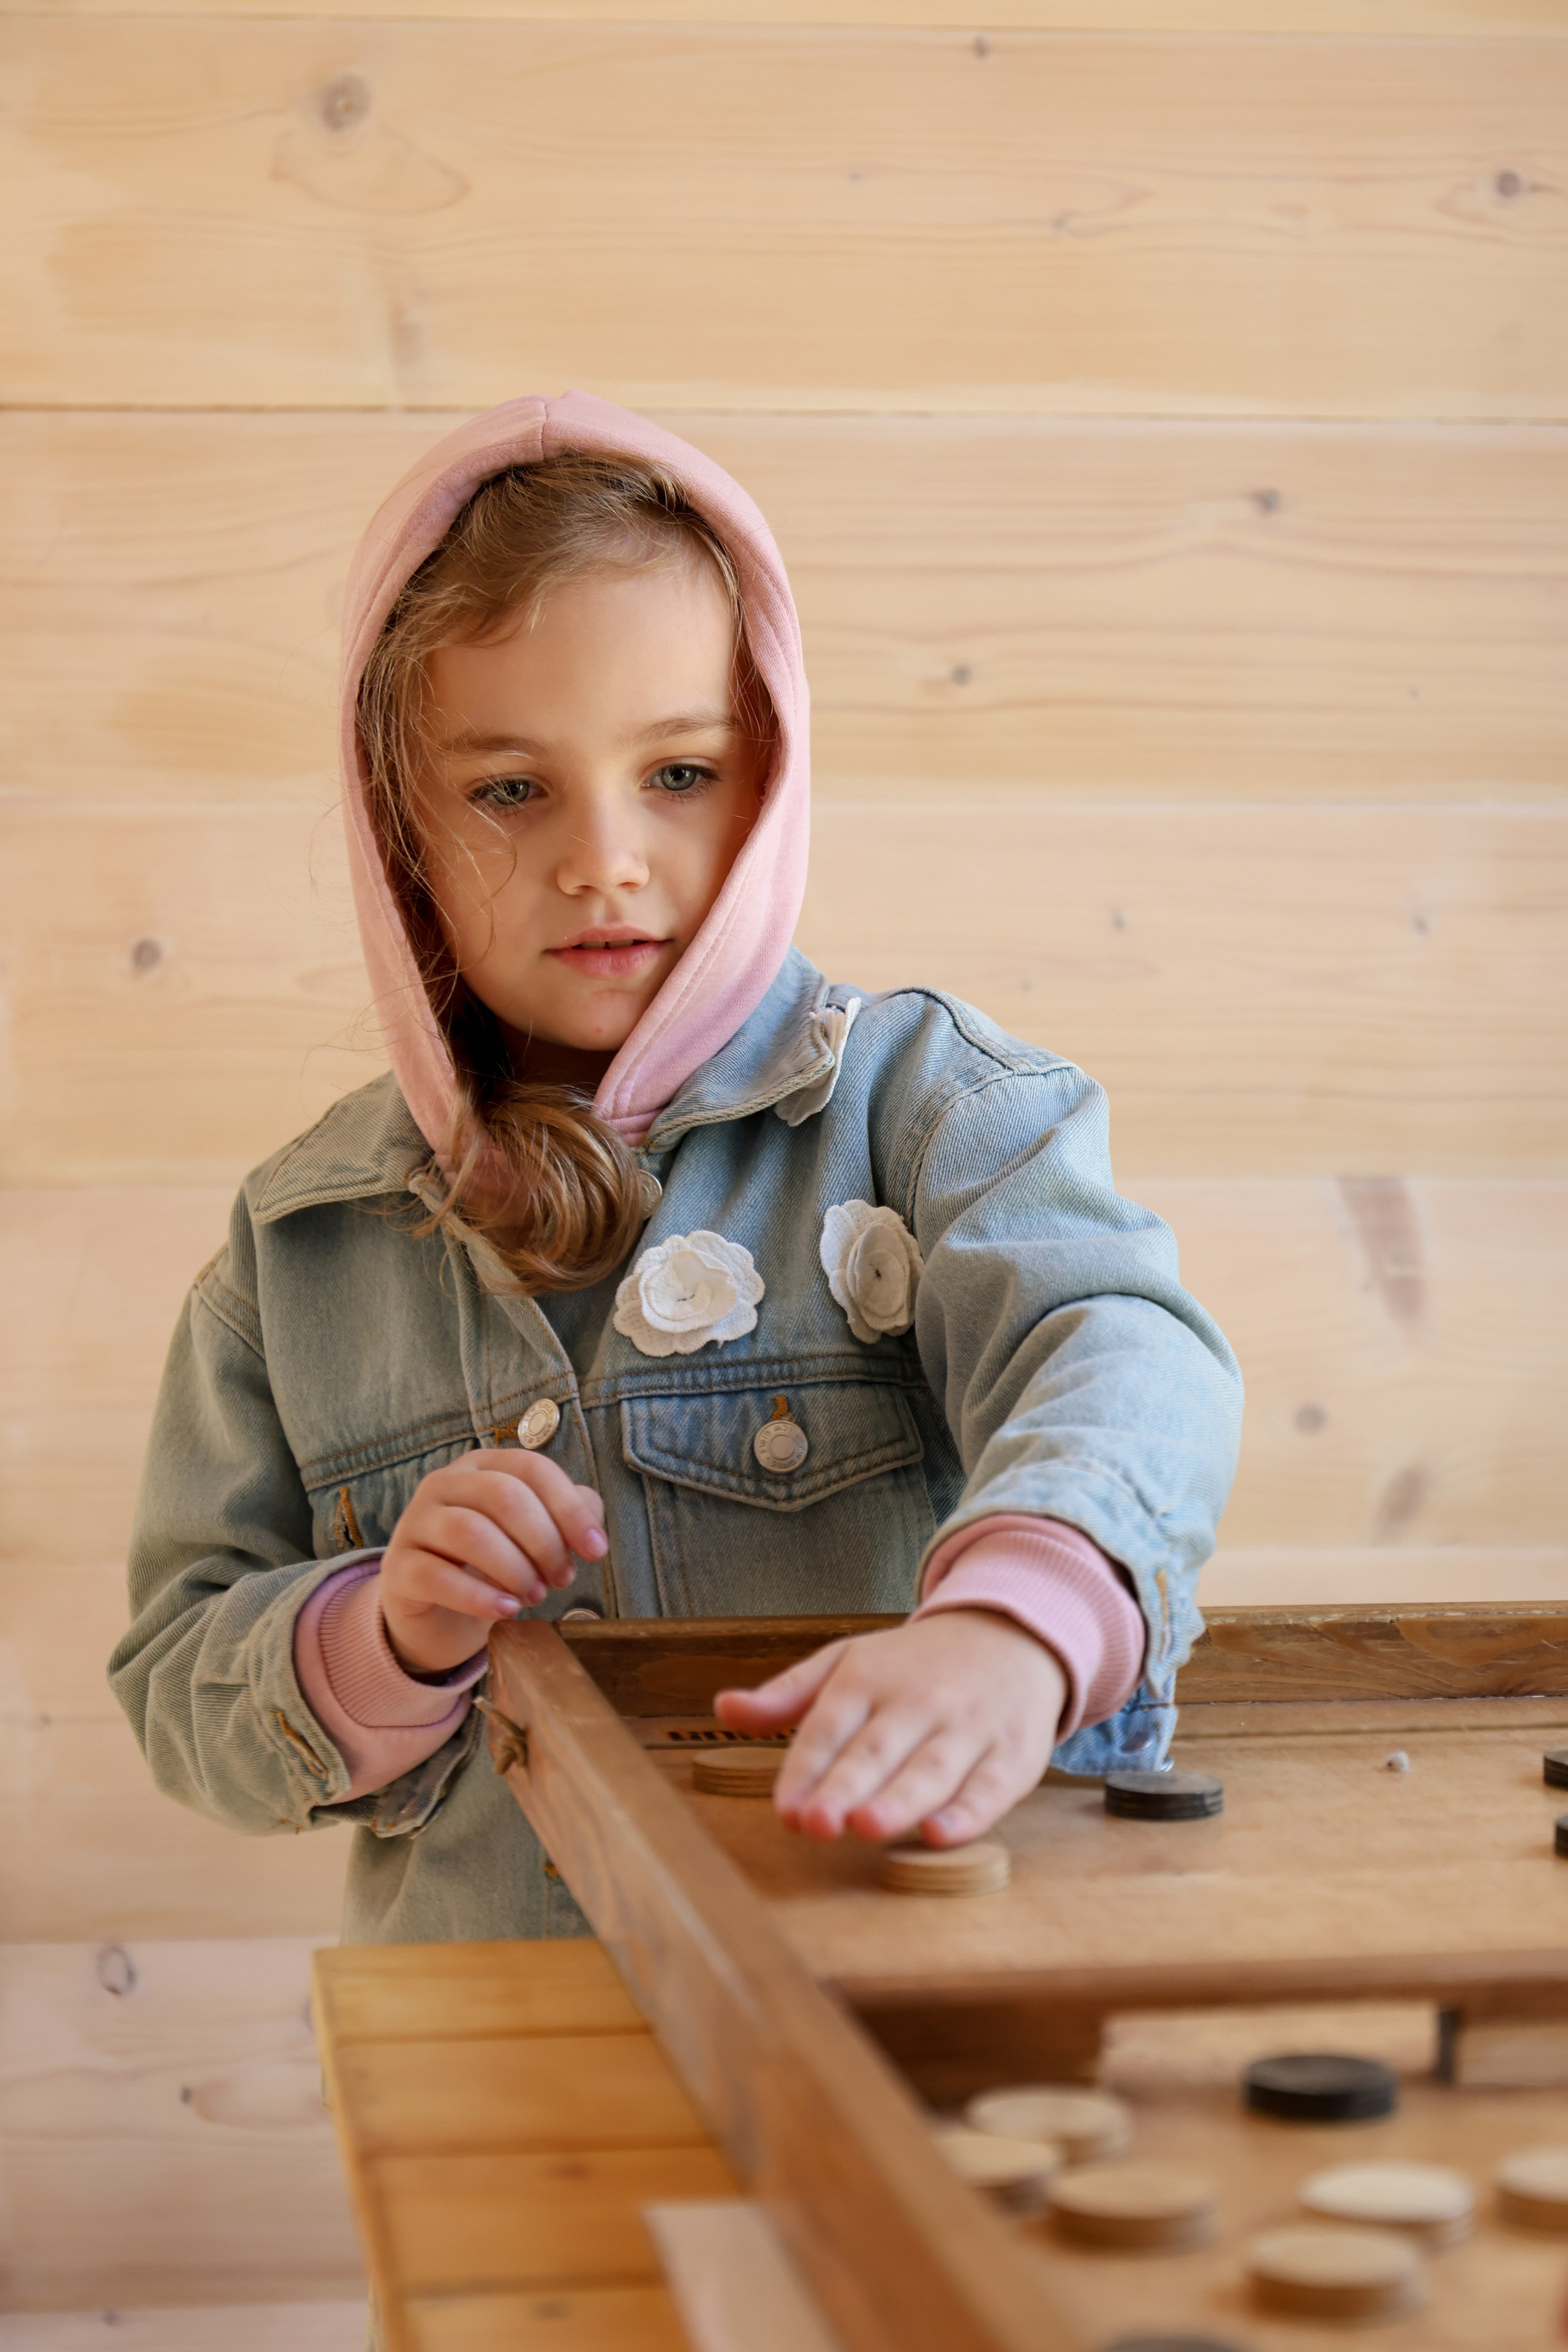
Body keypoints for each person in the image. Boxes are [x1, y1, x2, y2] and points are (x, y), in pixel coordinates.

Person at [111, 392, 1242, 1945]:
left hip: (875, 2012)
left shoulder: (924, 1115)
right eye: (511, 789)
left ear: (767, 773)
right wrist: (383, 1631)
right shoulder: (297, 1247)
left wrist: (1016, 1623)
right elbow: (180, 1682)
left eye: (679, 773)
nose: (603, 859)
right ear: (401, 836)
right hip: (496, 2074)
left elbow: (1118, 1353)